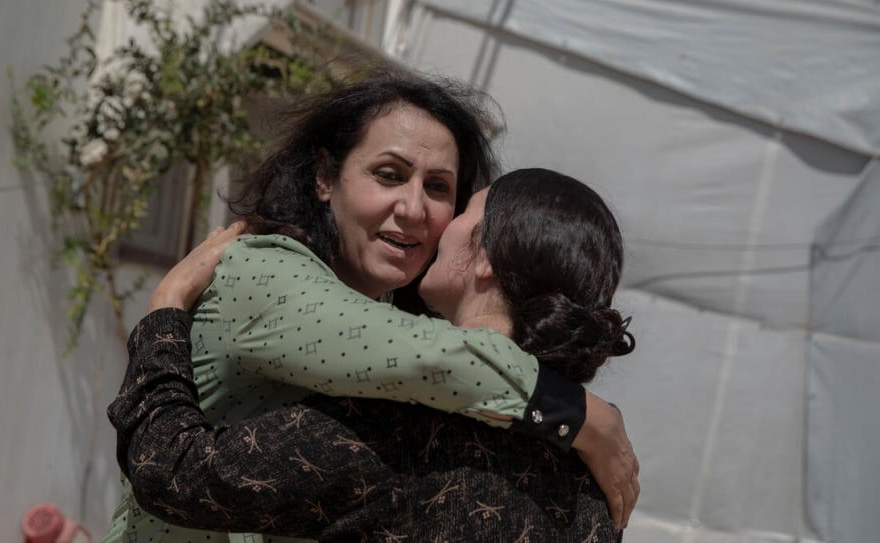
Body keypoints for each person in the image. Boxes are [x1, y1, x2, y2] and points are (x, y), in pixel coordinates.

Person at [102, 69, 639, 543]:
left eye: (439, 188)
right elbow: (432, 357)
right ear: (324, 177)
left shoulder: (408, 397)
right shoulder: (265, 271)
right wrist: (578, 413)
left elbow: (172, 471)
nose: (413, 209)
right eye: (388, 174)